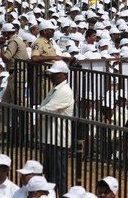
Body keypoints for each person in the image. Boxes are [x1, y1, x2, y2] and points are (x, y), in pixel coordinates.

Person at [37, 60, 75, 195]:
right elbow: (44, 107)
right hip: (50, 137)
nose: (51, 76)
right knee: (50, 173)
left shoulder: (64, 91)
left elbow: (47, 109)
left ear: (64, 75)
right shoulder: (54, 89)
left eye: (55, 74)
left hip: (58, 139)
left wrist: (39, 110)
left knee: (59, 175)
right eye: (51, 74)